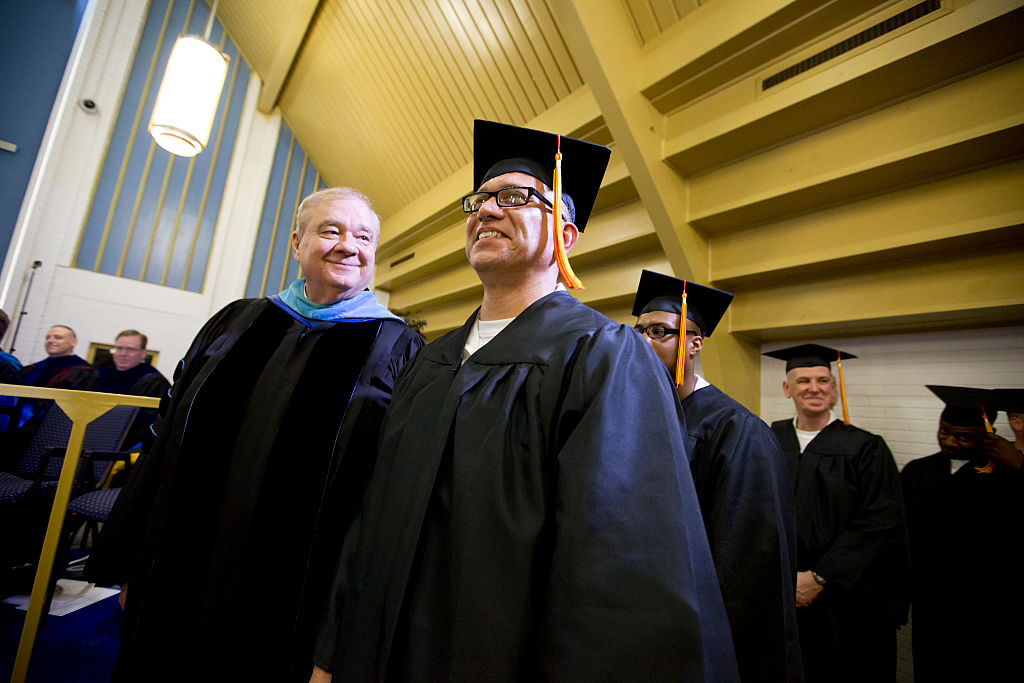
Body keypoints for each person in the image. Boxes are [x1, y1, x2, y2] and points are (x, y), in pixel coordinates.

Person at [316, 120, 738, 681]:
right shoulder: (430, 362)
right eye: (481, 199)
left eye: (515, 197)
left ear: (566, 236)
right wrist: (332, 652)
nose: (487, 210)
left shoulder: (603, 358)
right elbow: (373, 519)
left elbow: (620, 567)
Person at [85, 187, 424, 682]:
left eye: (363, 236)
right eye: (330, 230)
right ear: (296, 243)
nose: (348, 245)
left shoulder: (397, 347)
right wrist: (135, 558)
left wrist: (343, 631)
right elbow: (164, 442)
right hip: (177, 573)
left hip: (291, 602)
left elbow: (386, 500)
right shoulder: (234, 323)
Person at [632, 270, 801, 682]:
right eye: (638, 332)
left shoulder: (736, 431)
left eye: (660, 332)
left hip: (699, 638)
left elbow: (745, 569)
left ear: (694, 343)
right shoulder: (637, 415)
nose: (644, 343)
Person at [764, 344, 910, 683]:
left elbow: (879, 522)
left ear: (834, 388)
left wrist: (818, 577)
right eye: (803, 381)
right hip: (782, 590)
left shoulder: (865, 447)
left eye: (822, 380)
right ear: (787, 389)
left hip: (845, 599)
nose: (814, 388)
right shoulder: (771, 437)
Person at [900, 385, 1023, 682]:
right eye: (944, 431)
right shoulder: (918, 471)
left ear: (987, 434)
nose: (949, 441)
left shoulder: (1006, 474)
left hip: (990, 608)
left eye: (963, 436)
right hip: (931, 602)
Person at [91, 330, 171, 453]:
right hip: (91, 440)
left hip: (124, 450)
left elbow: (149, 424)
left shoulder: (153, 382)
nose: (123, 353)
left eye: (131, 349)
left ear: (143, 353)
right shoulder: (101, 376)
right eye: (119, 348)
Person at [20, 324, 92, 389]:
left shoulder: (83, 371)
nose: (50, 341)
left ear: (74, 342)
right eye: (47, 338)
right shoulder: (31, 369)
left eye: (58, 337)